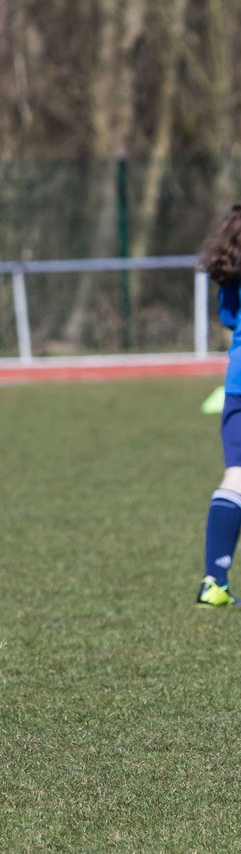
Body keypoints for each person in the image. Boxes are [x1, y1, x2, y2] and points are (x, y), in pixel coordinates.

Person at [198, 203, 241, 607]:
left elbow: (229, 318)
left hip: (237, 385)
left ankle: (214, 582)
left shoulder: (232, 270)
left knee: (236, 477)